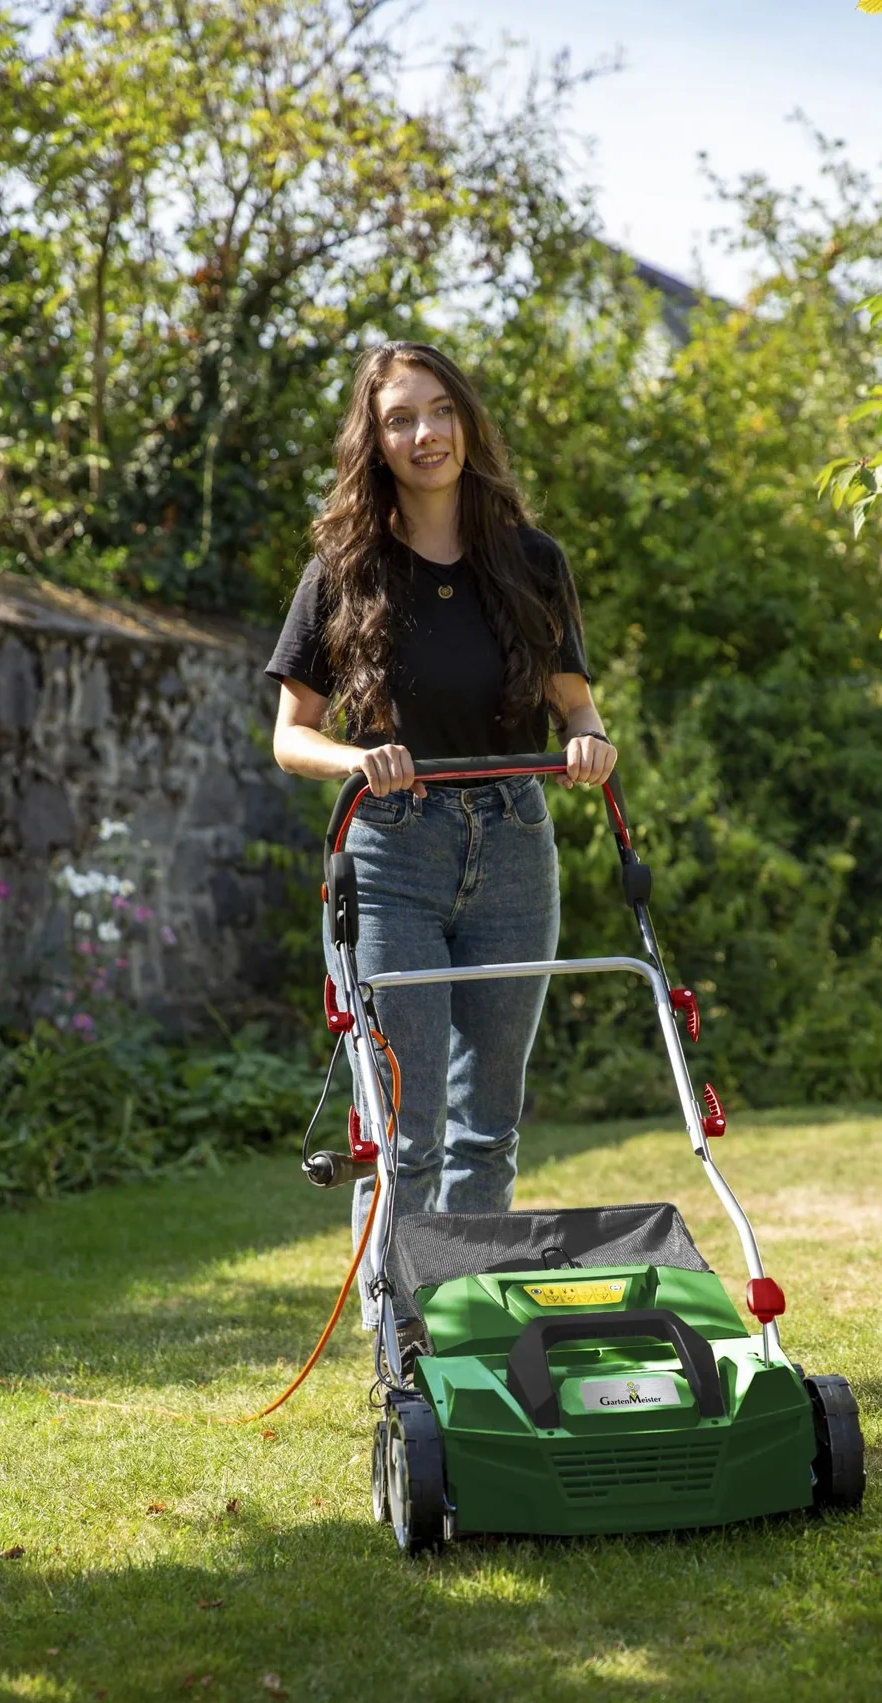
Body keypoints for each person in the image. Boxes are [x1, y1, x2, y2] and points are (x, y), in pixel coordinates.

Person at [266, 340, 617, 1325]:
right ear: (373, 443)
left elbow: (575, 711)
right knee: (404, 1121)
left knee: (487, 1123)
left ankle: (466, 1323)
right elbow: (292, 738)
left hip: (512, 847)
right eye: (397, 420)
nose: (423, 434)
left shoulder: (530, 562)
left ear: (465, 420)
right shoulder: (342, 571)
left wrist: (590, 745)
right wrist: (356, 760)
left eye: (437, 411)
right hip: (394, 855)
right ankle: (397, 1342)